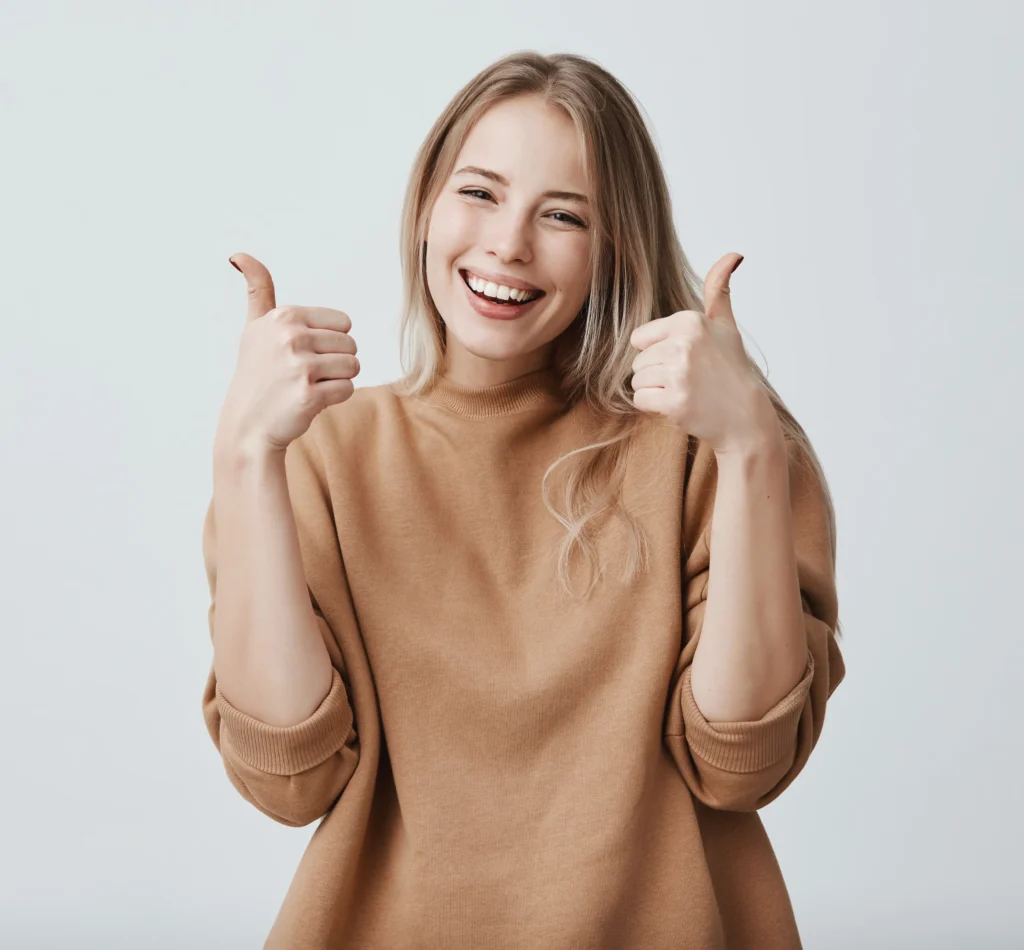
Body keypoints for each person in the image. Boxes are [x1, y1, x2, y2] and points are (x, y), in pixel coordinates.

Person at [200, 50, 846, 950]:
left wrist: (746, 451)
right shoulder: (322, 453)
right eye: (479, 193)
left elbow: (741, 762)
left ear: (615, 243)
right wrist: (243, 455)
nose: (508, 243)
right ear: (427, 206)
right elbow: (289, 781)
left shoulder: (712, 444)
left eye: (563, 214)